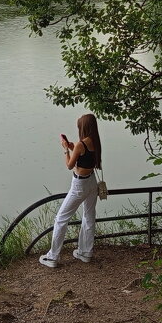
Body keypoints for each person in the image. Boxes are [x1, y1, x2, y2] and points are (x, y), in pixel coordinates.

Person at [39, 113, 101, 267]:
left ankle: (53, 257)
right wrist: (73, 148)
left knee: (61, 218)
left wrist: (66, 150)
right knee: (88, 216)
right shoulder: (95, 142)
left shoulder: (81, 144)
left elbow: (69, 165)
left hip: (79, 185)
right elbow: (85, 158)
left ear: (83, 127)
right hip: (92, 182)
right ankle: (85, 252)